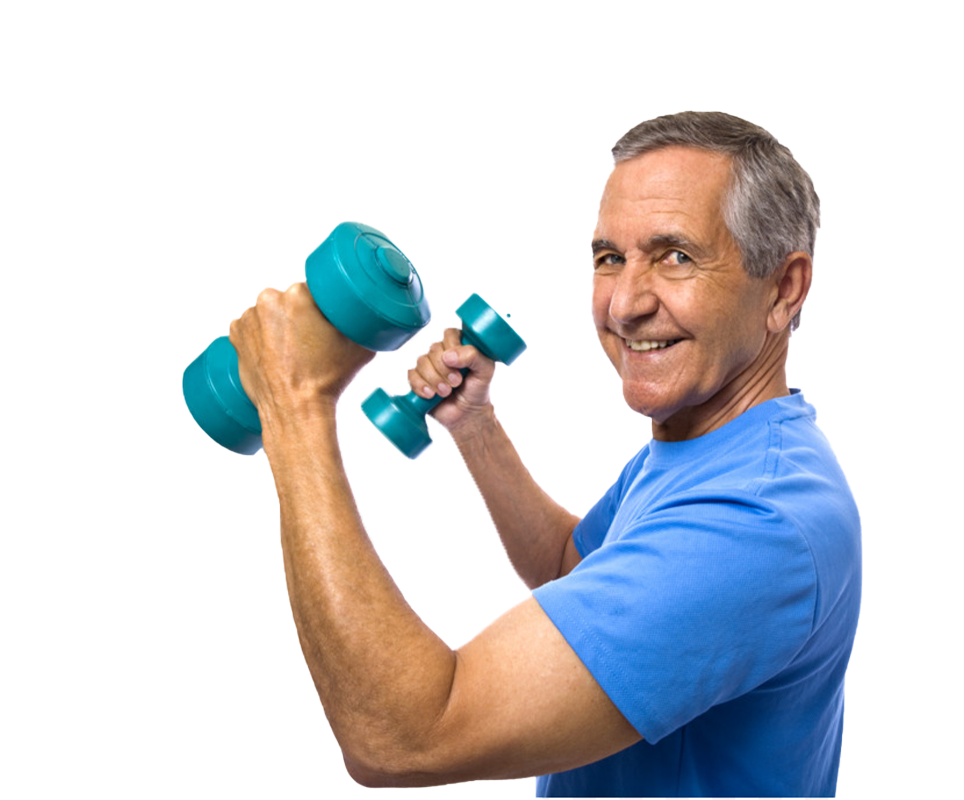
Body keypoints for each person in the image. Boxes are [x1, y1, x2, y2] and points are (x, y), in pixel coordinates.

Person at [227, 110, 862, 797]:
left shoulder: (753, 520)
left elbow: (403, 738)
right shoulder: (712, 446)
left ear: (783, 289)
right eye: (610, 258)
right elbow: (575, 564)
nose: (623, 304)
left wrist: (294, 407)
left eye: (676, 255)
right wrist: (475, 426)